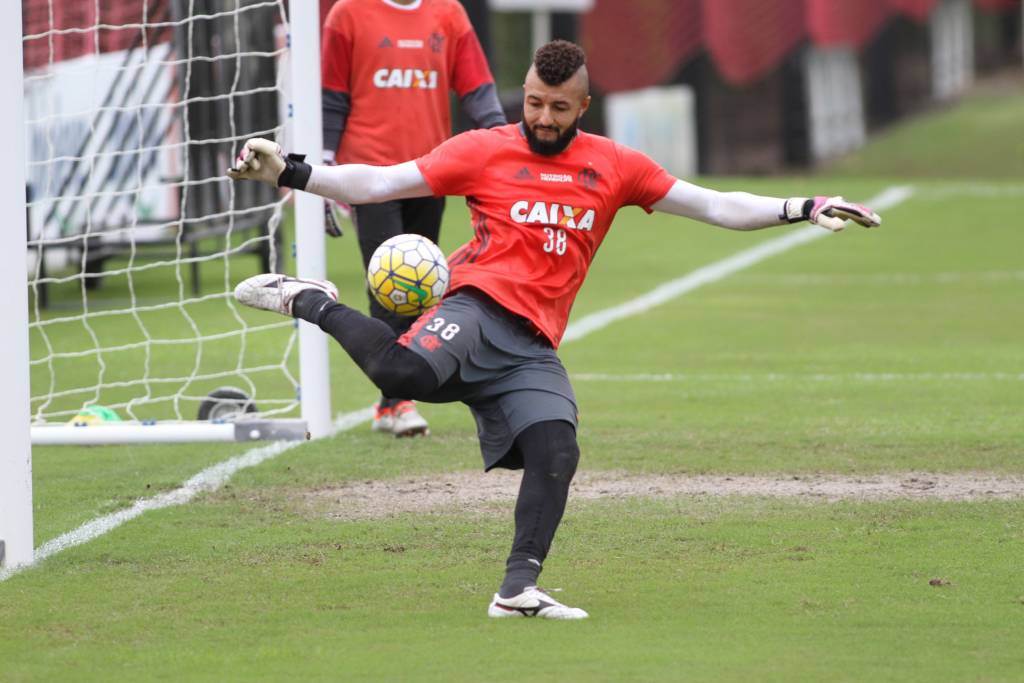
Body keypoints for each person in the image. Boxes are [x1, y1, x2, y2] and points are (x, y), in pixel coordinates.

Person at [228, 40, 881, 619]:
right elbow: (381, 181)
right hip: (474, 308)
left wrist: (805, 206)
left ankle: (516, 590)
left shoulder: (616, 165)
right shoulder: (484, 149)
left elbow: (713, 204)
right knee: (401, 374)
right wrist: (290, 170)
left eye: (557, 108)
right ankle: (308, 300)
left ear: (584, 105)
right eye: (534, 102)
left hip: (533, 346)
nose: (542, 117)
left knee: (555, 451)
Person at [320, 0, 507, 437]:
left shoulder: (449, 14)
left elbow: (476, 87)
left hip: (429, 172)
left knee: (423, 288)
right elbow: (331, 97)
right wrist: (326, 170)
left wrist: (503, 139)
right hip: (370, 173)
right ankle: (399, 400)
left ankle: (391, 402)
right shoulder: (348, 13)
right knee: (389, 280)